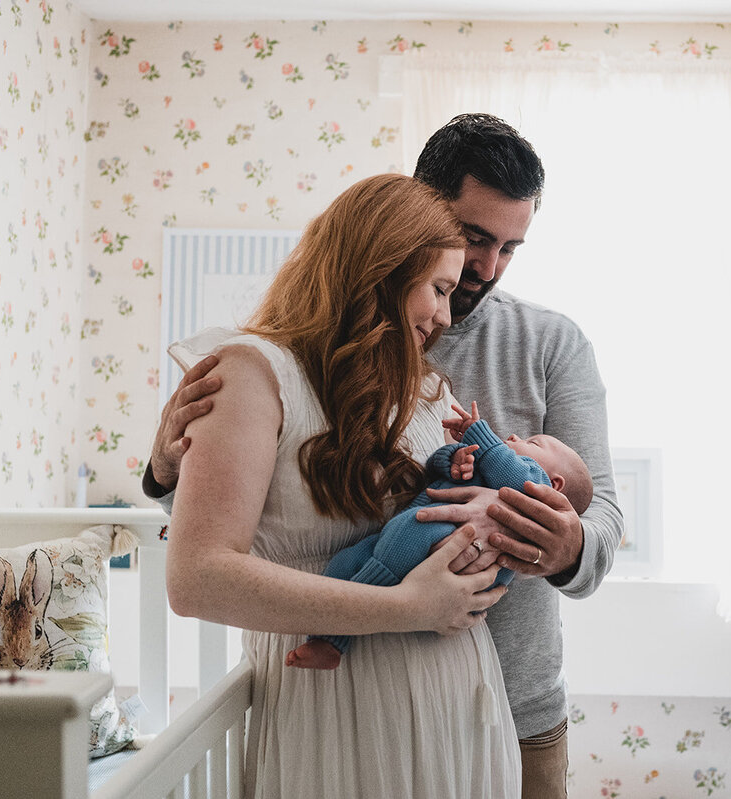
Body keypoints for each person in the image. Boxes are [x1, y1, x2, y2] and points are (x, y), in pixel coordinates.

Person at [145, 114, 625, 798]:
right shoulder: (297, 361)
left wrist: (554, 533)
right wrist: (165, 470)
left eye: (511, 248)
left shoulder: (543, 346)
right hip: (344, 700)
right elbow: (251, 519)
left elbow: (597, 507)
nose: (484, 271)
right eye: (473, 241)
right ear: (415, 216)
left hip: (509, 699)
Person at [162, 173, 521, 797]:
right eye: (437, 289)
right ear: (381, 268)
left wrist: (491, 508)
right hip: (333, 710)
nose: (443, 316)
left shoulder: (422, 390)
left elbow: (444, 504)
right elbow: (197, 578)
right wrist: (406, 607)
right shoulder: (253, 373)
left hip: (457, 705)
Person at [286, 401, 594, 670]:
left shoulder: (533, 484)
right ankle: (325, 640)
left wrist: (482, 437)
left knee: (388, 559)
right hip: (415, 531)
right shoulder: (490, 468)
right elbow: (434, 471)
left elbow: (514, 479)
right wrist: (455, 460)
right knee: (346, 560)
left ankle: (343, 629)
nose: (515, 437)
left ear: (555, 485)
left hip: (445, 547)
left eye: (532, 443)